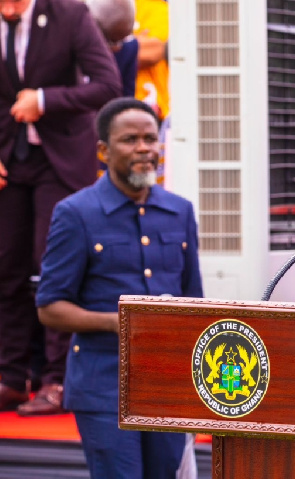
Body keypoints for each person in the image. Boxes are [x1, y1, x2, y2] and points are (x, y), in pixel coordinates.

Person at [35, 98, 203, 478]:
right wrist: (119, 322)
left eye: (150, 138)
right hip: (103, 385)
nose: (144, 148)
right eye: (130, 140)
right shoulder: (76, 213)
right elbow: (49, 307)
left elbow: (194, 300)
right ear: (103, 151)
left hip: (169, 385)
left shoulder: (180, 211)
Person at [0, 0, 121, 414]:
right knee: (6, 266)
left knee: (51, 263)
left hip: (62, 157)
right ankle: (11, 378)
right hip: (8, 158)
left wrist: (45, 100)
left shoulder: (69, 14)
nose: (8, 8)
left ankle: (56, 379)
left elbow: (108, 84)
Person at [88, 0, 139, 97]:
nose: (117, 48)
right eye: (110, 41)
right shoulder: (70, 40)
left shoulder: (130, 46)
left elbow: (127, 98)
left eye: (122, 40)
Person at [134, 0, 169, 121]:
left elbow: (153, 51)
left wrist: (109, 43)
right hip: (107, 108)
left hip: (152, 109)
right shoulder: (92, 6)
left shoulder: (156, 8)